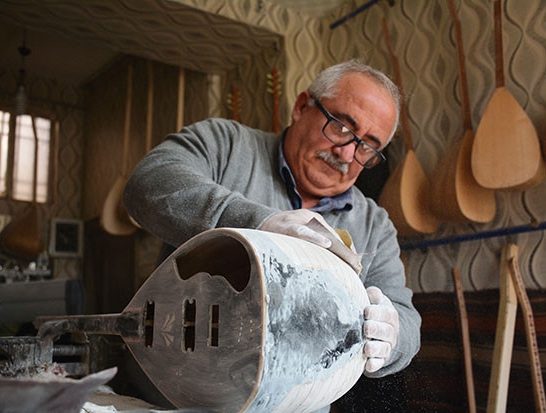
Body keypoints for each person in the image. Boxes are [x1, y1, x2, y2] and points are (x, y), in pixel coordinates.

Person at [124, 59, 421, 409]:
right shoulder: (226, 145)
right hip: (169, 401)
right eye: (341, 126)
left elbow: (405, 319)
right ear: (301, 107)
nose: (346, 153)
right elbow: (148, 183)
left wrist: (393, 335)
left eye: (367, 146)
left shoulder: (375, 225)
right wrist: (258, 223)